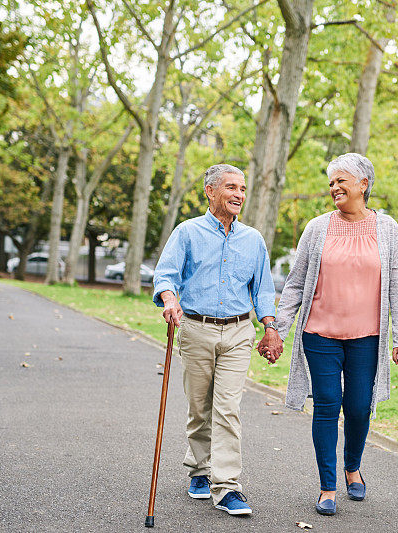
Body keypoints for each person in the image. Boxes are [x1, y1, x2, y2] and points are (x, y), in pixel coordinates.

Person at [258, 152, 398, 516]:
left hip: (367, 337)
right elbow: (295, 284)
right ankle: (328, 486)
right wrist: (276, 330)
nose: (334, 188)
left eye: (341, 180)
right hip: (320, 334)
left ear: (363, 184)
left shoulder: (387, 229)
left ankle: (352, 467)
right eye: (330, 182)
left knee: (359, 407)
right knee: (327, 405)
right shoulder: (317, 227)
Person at [153, 163, 283, 516]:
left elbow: (263, 289)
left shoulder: (253, 239)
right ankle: (198, 467)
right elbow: (165, 275)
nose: (239, 194)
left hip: (239, 331)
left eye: (242, 188)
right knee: (200, 408)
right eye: (231, 187)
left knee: (228, 408)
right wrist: (169, 300)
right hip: (196, 328)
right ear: (210, 192)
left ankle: (226, 487)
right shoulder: (187, 232)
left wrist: (271, 327)